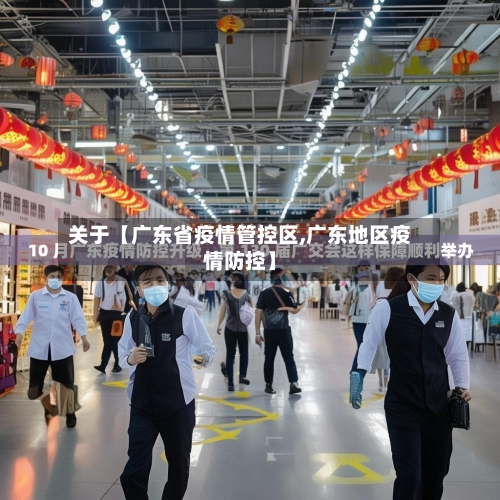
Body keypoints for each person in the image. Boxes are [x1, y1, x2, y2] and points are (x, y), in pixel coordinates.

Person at [350, 262, 471, 500]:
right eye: (431, 278)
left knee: (436, 473)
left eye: (441, 279)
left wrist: (462, 386)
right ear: (412, 279)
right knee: (410, 474)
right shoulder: (388, 309)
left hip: (438, 406)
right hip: (402, 404)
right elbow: (369, 343)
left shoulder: (447, 314)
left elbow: (457, 355)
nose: (437, 284)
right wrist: (359, 373)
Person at [118, 264, 216, 500]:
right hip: (142, 403)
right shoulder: (133, 317)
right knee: (133, 471)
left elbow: (207, 347)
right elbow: (122, 354)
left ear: (168, 284)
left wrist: (203, 357)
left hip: (177, 403)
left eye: (160, 281)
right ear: (139, 290)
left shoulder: (184, 315)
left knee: (178, 467)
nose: (155, 286)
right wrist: (130, 358)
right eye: (148, 283)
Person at [14, 265, 90, 428]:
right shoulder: (36, 297)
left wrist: (84, 337)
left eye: (59, 277)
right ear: (45, 278)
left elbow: (78, 318)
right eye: (53, 276)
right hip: (39, 348)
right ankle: (49, 407)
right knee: (34, 390)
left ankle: (70, 414)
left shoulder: (70, 298)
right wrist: (19, 334)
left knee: (66, 385)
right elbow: (25, 317)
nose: (56, 279)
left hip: (62, 348)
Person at [255, 268, 304, 395]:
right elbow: (294, 310)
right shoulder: (286, 293)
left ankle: (268, 385)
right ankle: (293, 383)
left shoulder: (264, 293)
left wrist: (257, 332)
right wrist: (301, 305)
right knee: (288, 357)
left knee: (269, 358)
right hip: (283, 330)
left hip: (269, 331)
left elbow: (258, 312)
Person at [217, 272, 252, 391]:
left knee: (230, 355)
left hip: (230, 329)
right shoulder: (247, 295)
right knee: (244, 353)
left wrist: (219, 325)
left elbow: (222, 310)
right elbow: (251, 312)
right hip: (243, 329)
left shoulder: (227, 294)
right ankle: (242, 376)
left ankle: (231, 383)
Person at [372, 266, 404, 392]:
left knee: (381, 355)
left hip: (380, 328)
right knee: (390, 357)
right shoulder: (402, 294)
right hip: (395, 329)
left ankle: (381, 382)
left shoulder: (381, 291)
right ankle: (386, 382)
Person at [93, 264, 126, 374]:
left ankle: (118, 363)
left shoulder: (120, 282)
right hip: (104, 314)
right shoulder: (101, 283)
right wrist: (95, 314)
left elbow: (123, 298)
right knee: (107, 340)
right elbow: (97, 298)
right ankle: (103, 365)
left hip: (116, 315)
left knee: (115, 340)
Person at [346, 260, 376, 372]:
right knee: (361, 345)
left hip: (370, 321)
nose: (363, 271)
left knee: (365, 347)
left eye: (366, 269)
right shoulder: (354, 286)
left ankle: (357, 371)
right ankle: (355, 371)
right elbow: (349, 301)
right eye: (361, 269)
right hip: (358, 320)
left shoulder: (374, 286)